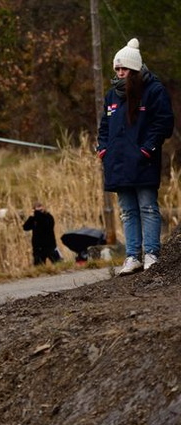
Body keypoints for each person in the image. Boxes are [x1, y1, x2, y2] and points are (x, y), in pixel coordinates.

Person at [96, 38, 175, 275]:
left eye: (124, 68)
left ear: (135, 68)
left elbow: (163, 123)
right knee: (127, 210)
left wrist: (147, 148)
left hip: (143, 161)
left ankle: (151, 253)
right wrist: (103, 149)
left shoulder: (154, 90)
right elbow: (104, 127)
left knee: (148, 207)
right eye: (117, 69)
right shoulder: (112, 96)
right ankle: (132, 256)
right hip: (118, 163)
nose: (120, 73)